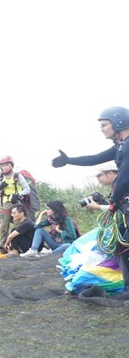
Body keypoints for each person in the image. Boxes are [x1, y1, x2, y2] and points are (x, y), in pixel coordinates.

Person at [52, 107, 129, 280]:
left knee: (124, 245)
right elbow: (95, 158)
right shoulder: (121, 146)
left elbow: (124, 177)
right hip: (124, 204)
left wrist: (113, 202)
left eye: (104, 125)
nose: (101, 129)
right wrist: (69, 160)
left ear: (118, 123)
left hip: (124, 202)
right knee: (122, 245)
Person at [0, 156, 32, 252]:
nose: (4, 167)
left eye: (6, 165)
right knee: (3, 225)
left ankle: (16, 245)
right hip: (6, 203)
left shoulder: (17, 176)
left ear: (11, 165)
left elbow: (27, 189)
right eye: (2, 166)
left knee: (17, 225)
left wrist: (17, 195)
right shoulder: (1, 177)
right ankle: (3, 245)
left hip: (17, 203)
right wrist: (0, 188)